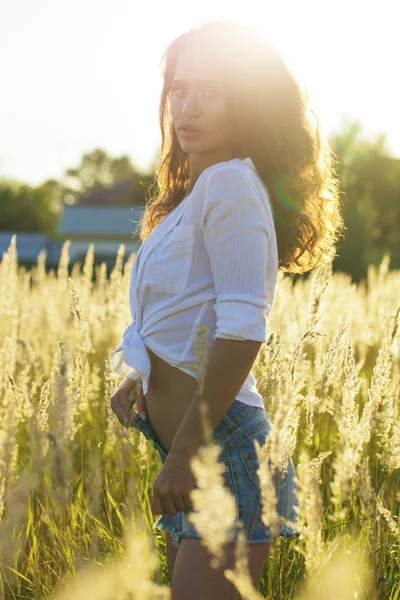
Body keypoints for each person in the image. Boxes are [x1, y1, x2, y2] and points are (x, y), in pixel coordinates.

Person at [110, 20, 344, 599]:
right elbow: (185, 314)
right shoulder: (200, 191)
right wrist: (142, 376)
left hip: (220, 451)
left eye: (211, 91)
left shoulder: (231, 185)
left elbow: (243, 330)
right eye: (180, 90)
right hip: (193, 450)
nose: (189, 107)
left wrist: (188, 452)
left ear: (247, 101)